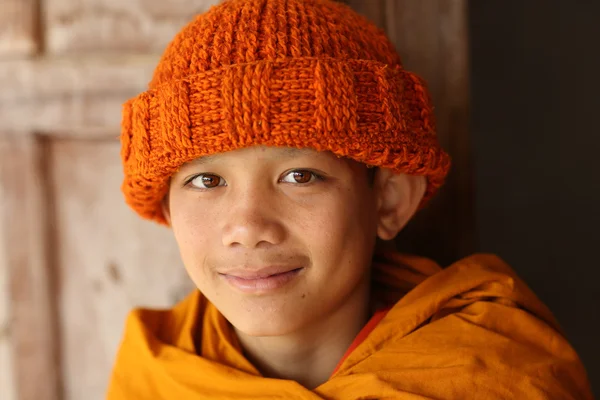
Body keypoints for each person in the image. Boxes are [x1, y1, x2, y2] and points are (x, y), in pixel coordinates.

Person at [107, 0, 593, 398]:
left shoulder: (496, 375)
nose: (248, 226)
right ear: (168, 209)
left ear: (388, 202)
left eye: (300, 176)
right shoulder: (155, 374)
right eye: (207, 182)